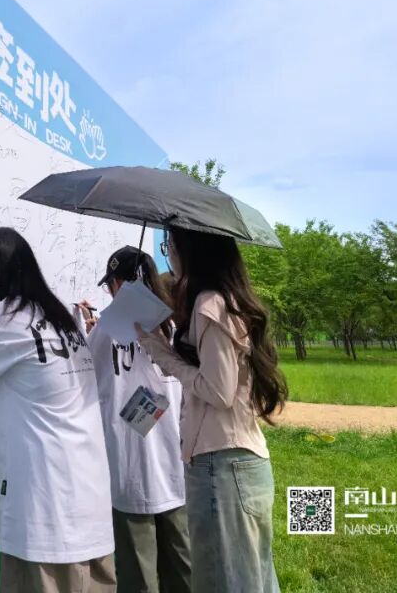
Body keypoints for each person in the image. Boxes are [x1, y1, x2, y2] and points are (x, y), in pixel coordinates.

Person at [0, 227, 116, 593]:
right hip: (87, 504)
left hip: (46, 512)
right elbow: (30, 371)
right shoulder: (59, 317)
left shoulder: (2, 319)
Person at [135, 228, 288, 593]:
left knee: (226, 581)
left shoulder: (210, 304)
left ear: (191, 250)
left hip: (221, 465)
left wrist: (162, 353)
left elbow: (218, 392)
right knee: (250, 579)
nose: (169, 255)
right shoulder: (225, 301)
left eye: (170, 246)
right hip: (235, 462)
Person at [77, 247, 192, 593]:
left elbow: (84, 380)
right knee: (185, 570)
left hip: (129, 473)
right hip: (176, 468)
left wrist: (91, 331)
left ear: (118, 284)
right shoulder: (176, 325)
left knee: (138, 577)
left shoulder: (105, 331)